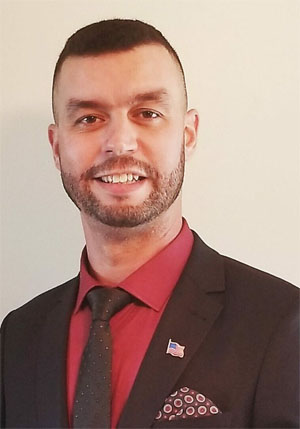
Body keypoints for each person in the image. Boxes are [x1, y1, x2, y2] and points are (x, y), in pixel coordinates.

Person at [0, 19, 299, 429]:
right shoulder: (18, 336)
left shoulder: (280, 323)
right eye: (89, 118)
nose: (119, 142)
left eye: (147, 113)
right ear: (56, 147)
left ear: (188, 134)